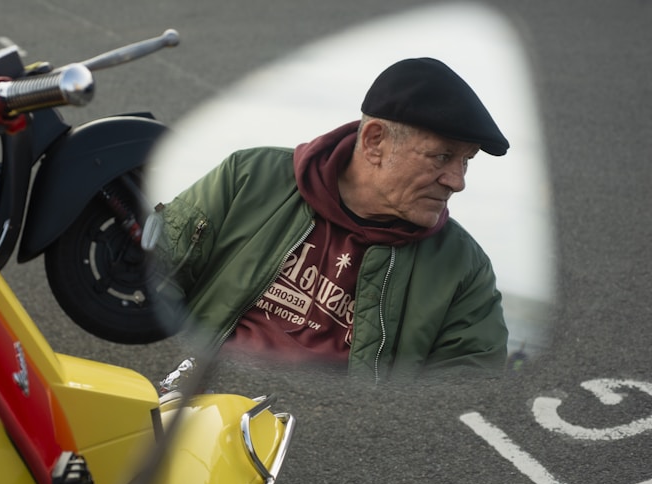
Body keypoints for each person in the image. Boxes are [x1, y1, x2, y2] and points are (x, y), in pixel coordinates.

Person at [151, 57, 510, 382]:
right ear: (374, 142)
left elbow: (470, 389)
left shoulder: (464, 269)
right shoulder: (249, 177)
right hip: (202, 401)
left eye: (466, 161)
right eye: (442, 156)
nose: (457, 181)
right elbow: (154, 269)